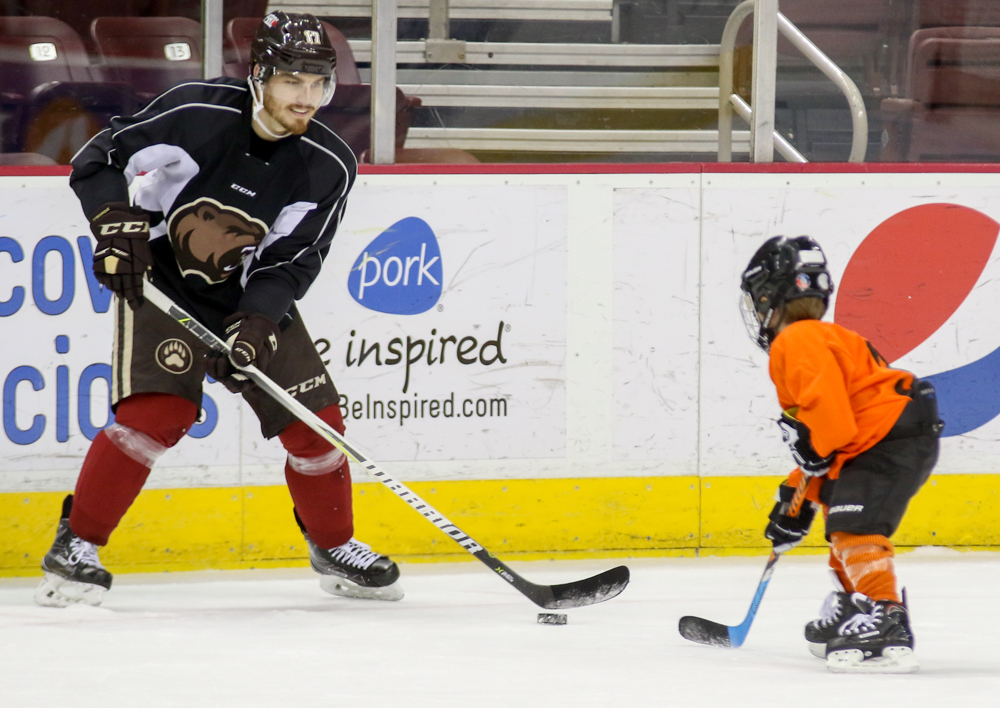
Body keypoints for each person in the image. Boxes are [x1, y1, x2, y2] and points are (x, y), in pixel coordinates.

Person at [35, 12, 403, 608]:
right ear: (259, 75)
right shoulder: (197, 112)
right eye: (292, 82)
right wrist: (112, 221)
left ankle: (334, 545)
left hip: (243, 291)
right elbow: (99, 158)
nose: (306, 99)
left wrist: (257, 323)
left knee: (317, 425)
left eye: (318, 85)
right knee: (156, 416)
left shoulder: (329, 164)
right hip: (160, 277)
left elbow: (290, 261)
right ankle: (78, 544)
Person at [740, 235, 942, 674]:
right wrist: (794, 498)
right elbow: (828, 438)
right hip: (883, 437)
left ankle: (885, 616)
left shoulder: (795, 341)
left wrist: (811, 456)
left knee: (856, 527)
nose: (757, 312)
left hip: (888, 439)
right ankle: (860, 605)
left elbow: (829, 429)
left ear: (771, 299)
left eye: (758, 301)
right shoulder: (828, 337)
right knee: (842, 526)